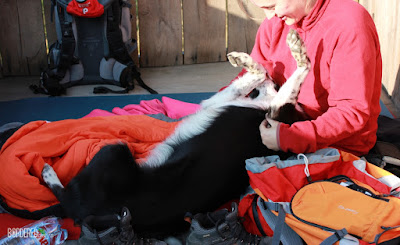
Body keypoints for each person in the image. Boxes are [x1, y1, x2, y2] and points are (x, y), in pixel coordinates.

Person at [241, 0, 382, 156]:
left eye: (272, 6)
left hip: (332, 144)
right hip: (280, 123)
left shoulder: (349, 23)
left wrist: (289, 137)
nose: (270, 16)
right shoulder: (275, 23)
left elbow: (351, 110)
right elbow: (252, 77)